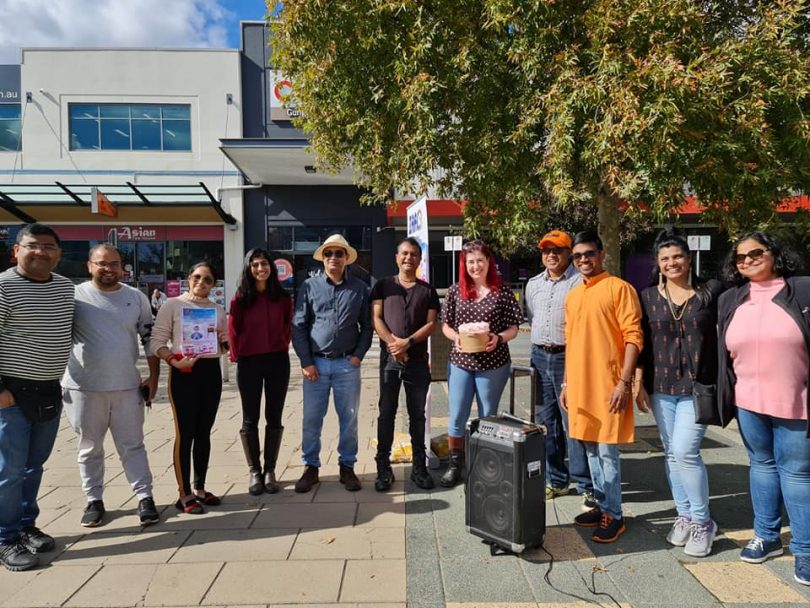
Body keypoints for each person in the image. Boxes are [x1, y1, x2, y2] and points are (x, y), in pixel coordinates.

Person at [718, 231, 810, 586]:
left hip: (795, 402)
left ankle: (804, 549)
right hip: (748, 403)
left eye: (756, 253)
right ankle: (767, 536)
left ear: (774, 254)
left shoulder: (801, 290)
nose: (748, 260)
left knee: (797, 475)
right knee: (761, 466)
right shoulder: (731, 299)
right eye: (740, 257)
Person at [636, 229, 724, 557]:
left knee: (686, 452)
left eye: (678, 257)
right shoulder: (647, 297)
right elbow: (642, 342)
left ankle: (703, 521)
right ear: (658, 264)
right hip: (661, 388)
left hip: (697, 388)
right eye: (665, 259)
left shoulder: (711, 292)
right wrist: (639, 382)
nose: (672, 263)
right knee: (672, 453)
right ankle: (684, 514)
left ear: (689, 259)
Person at [62, 244, 161, 528]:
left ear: (122, 267)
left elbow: (149, 338)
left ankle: (145, 497)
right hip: (83, 388)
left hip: (127, 386)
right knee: (89, 447)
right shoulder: (74, 296)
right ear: (89, 266)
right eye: (102, 263)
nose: (109, 269)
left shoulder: (135, 297)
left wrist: (153, 377)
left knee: (133, 445)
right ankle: (94, 500)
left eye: (115, 264)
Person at [0, 223, 74, 572]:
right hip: (10, 394)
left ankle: (26, 524)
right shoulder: (3, 287)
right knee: (9, 471)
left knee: (33, 466)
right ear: (16, 250)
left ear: (58, 255)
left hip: (49, 390)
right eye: (33, 245)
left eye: (49, 247)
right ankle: (5, 537)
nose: (41, 252)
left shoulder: (64, 288)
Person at [561, 230, 643, 543]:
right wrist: (568, 382)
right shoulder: (574, 294)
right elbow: (571, 342)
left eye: (589, 254)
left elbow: (633, 336)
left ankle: (614, 514)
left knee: (607, 452)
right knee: (591, 448)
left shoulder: (619, 288)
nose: (583, 260)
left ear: (602, 254)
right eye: (578, 256)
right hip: (581, 385)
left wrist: (625, 382)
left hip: (609, 384)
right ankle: (601, 503)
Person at [291, 234, 372, 493]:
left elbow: (367, 326)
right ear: (323, 258)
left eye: (339, 253)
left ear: (346, 258)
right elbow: (299, 326)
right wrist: (305, 361)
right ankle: (311, 467)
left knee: (349, 419)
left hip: (347, 365)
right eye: (329, 254)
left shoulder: (360, 288)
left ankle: (347, 467)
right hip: (315, 364)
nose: (333, 258)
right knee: (312, 419)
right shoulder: (309, 287)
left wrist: (358, 355)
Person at [440, 239, 522, 487]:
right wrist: (455, 338)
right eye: (470, 261)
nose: (475, 266)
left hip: (494, 363)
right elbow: (445, 324)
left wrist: (499, 338)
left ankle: (488, 464)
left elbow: (514, 328)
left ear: (489, 263)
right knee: (457, 414)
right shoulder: (456, 291)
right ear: (464, 265)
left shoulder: (502, 292)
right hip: (461, 362)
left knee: (488, 417)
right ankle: (456, 465)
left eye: (480, 261)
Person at [151, 262, 228, 514]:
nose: (201, 283)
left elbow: (226, 347)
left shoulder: (217, 310)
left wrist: (223, 340)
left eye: (207, 279)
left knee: (204, 432)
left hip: (210, 371)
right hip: (183, 372)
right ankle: (183, 494)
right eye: (197, 277)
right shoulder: (172, 305)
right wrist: (174, 360)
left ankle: (200, 488)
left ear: (213, 285)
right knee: (185, 434)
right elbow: (157, 342)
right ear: (188, 279)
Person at [525, 230, 594, 509]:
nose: (551, 255)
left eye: (558, 250)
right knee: (546, 421)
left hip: (570, 357)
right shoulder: (532, 284)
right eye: (546, 251)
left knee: (573, 422)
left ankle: (586, 484)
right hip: (539, 355)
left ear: (569, 253)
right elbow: (531, 316)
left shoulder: (581, 283)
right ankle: (556, 479)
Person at [371, 237, 440, 491]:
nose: (408, 258)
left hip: (417, 360)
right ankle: (383, 468)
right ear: (396, 257)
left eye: (413, 254)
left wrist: (407, 343)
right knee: (386, 413)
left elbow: (432, 324)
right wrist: (393, 344)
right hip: (389, 360)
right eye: (404, 253)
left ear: (420, 259)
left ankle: (419, 468)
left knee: (417, 416)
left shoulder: (428, 291)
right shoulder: (382, 286)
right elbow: (376, 318)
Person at [229, 248, 292, 495]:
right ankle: (254, 470)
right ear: (248, 268)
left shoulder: (283, 298)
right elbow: (234, 329)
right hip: (249, 362)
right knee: (250, 418)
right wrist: (237, 355)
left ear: (271, 268)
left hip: (278, 361)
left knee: (274, 417)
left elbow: (287, 326)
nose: (260, 269)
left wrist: (280, 345)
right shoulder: (240, 299)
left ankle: (270, 470)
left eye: (264, 264)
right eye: (255, 265)